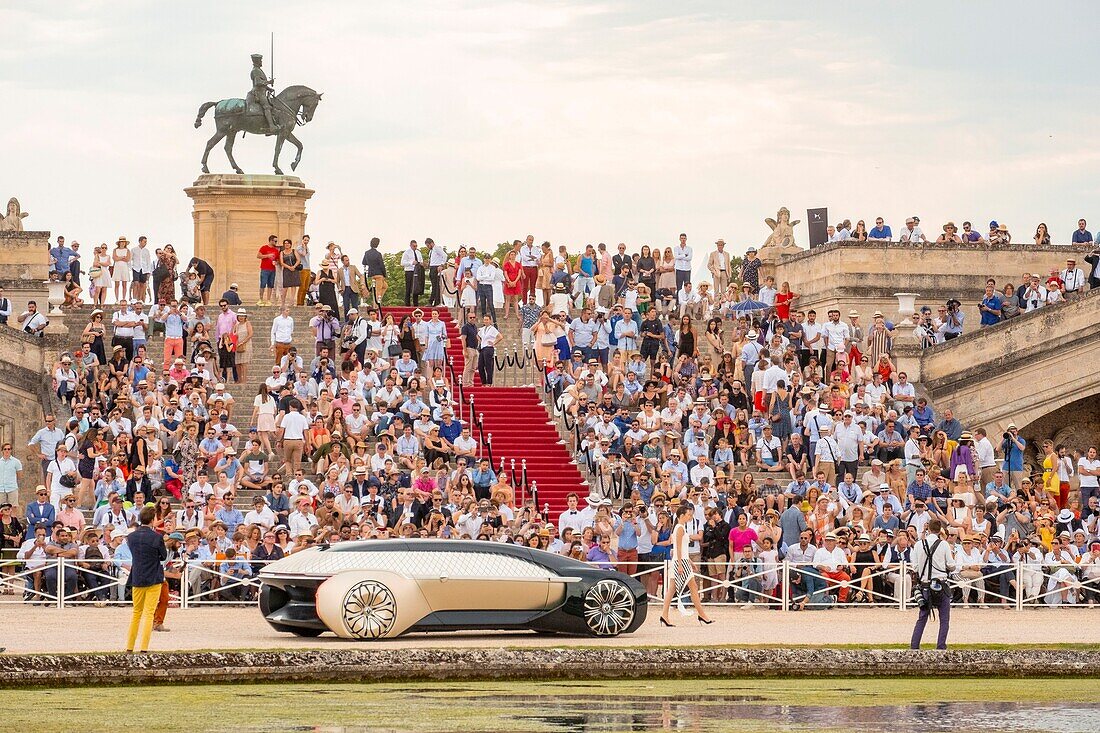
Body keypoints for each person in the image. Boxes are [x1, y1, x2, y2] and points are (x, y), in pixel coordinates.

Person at [659, 503, 713, 627]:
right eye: (688, 515)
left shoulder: (679, 527)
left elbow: (682, 548)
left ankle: (664, 615)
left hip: (681, 560)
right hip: (680, 561)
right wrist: (681, 564)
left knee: (673, 589)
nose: (690, 517)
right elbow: (678, 547)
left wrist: (689, 561)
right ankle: (702, 614)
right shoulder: (680, 528)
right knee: (691, 587)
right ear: (682, 515)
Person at [126, 505, 167, 654]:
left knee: (136, 612)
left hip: (137, 575)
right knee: (149, 613)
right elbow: (163, 556)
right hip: (153, 577)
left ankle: (130, 646)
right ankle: (144, 647)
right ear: (152, 519)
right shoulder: (156, 537)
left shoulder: (131, 537)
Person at [909, 517, 956, 650]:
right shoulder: (944, 544)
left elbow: (915, 568)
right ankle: (941, 646)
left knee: (922, 617)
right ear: (940, 530)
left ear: (928, 529)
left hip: (925, 585)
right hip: (941, 583)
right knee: (944, 619)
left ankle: (914, 646)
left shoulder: (919, 545)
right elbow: (951, 566)